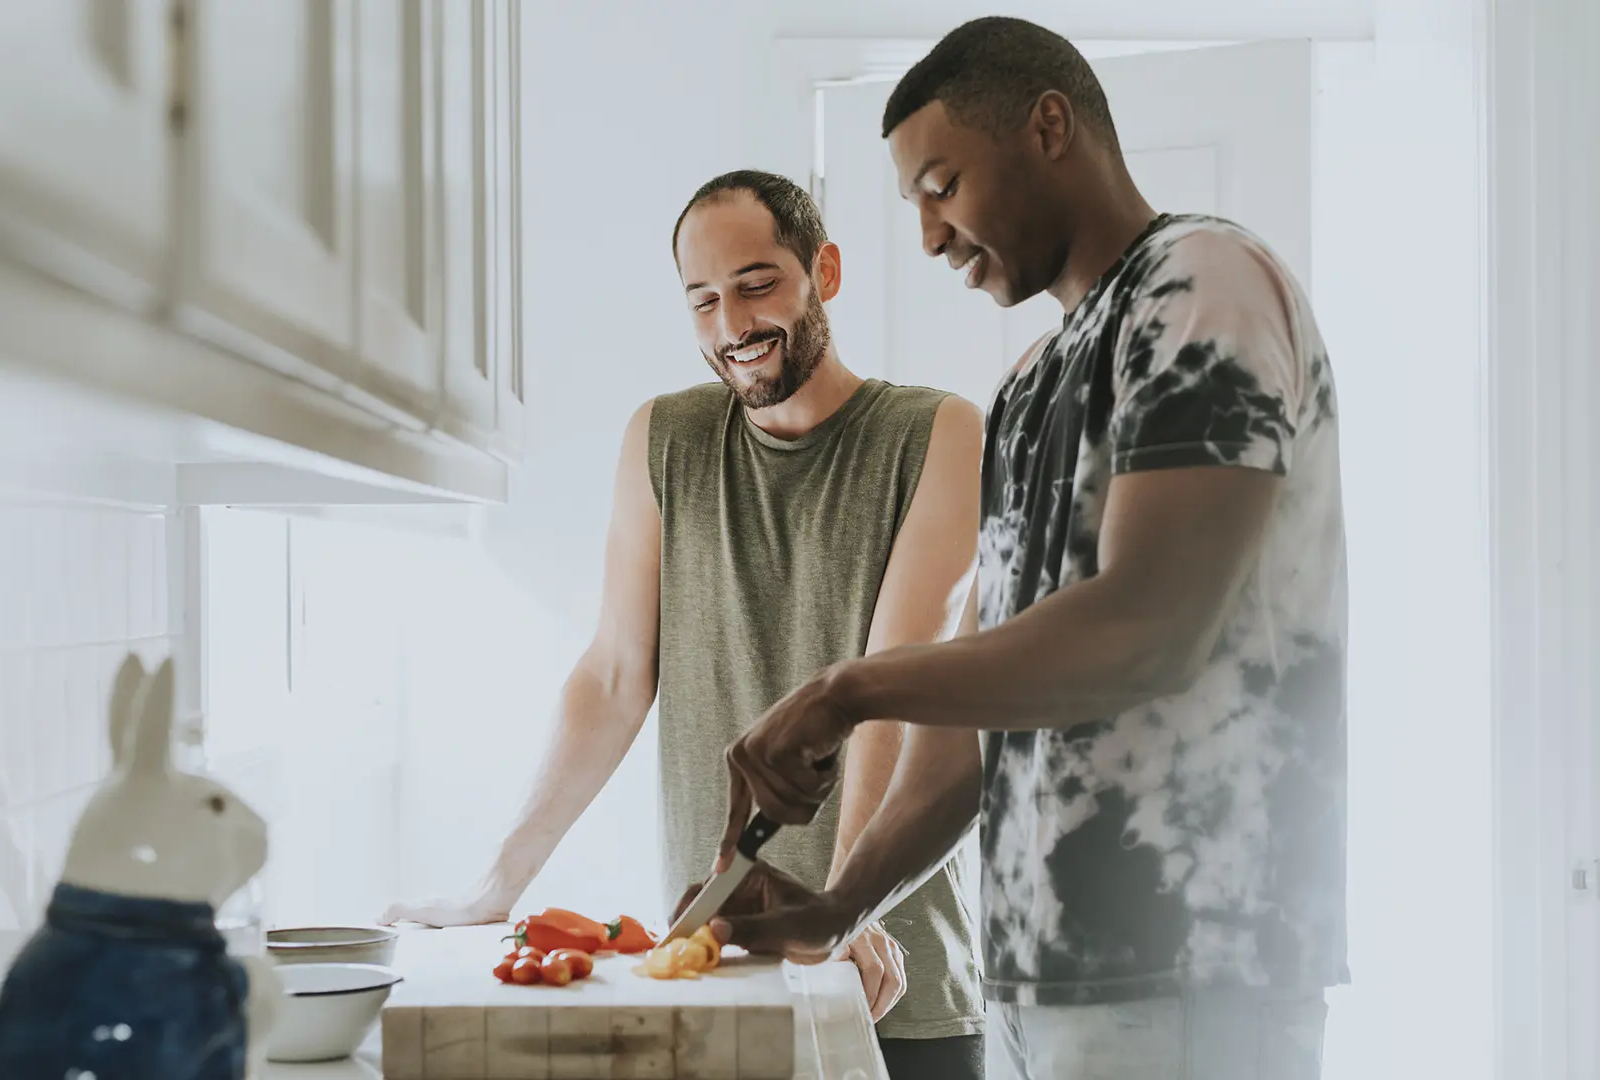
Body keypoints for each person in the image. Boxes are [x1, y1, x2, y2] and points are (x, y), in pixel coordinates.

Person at [677, 18, 1350, 1080]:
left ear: (1048, 127)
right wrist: (843, 903)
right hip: (1042, 982)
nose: (933, 235)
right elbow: (974, 719)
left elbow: (1148, 630)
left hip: (1197, 973)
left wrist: (849, 690)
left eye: (942, 183)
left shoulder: (1200, 283)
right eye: (914, 205)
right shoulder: (1034, 383)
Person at [382, 169, 990, 1078]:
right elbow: (616, 675)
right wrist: (498, 882)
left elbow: (893, 687)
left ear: (822, 270)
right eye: (703, 300)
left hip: (891, 982)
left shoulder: (938, 433)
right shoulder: (663, 440)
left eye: (757, 285)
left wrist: (842, 911)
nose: (732, 326)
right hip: (721, 978)